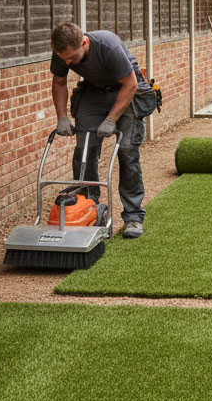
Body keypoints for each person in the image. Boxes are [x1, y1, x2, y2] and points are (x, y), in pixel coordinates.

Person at [50, 23, 150, 239]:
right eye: (63, 58)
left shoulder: (108, 46)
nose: (67, 63)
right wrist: (62, 117)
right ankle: (87, 208)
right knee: (84, 149)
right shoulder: (62, 51)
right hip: (94, 92)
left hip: (126, 90)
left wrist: (111, 119)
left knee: (126, 150)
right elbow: (59, 81)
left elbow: (130, 84)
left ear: (84, 43)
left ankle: (133, 215)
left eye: (71, 58)